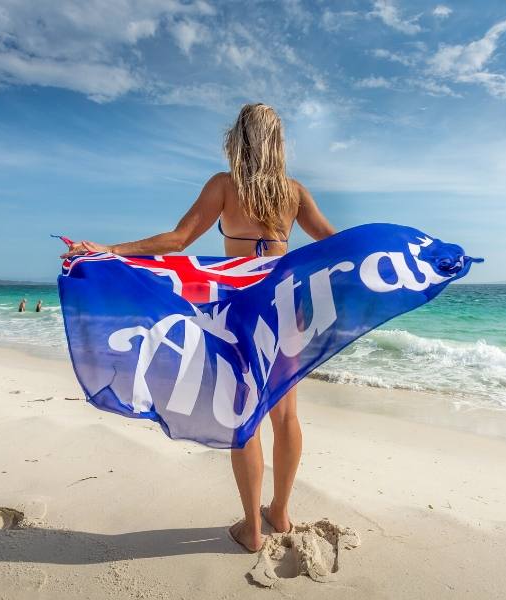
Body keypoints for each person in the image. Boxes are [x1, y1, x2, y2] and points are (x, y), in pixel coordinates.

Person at [60, 103, 336, 552]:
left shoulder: (225, 186)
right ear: (277, 142)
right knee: (286, 416)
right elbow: (334, 242)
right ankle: (281, 513)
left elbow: (177, 241)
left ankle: (253, 528)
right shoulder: (294, 192)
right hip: (287, 304)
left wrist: (110, 249)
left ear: (239, 139)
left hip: (243, 306)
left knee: (244, 414)